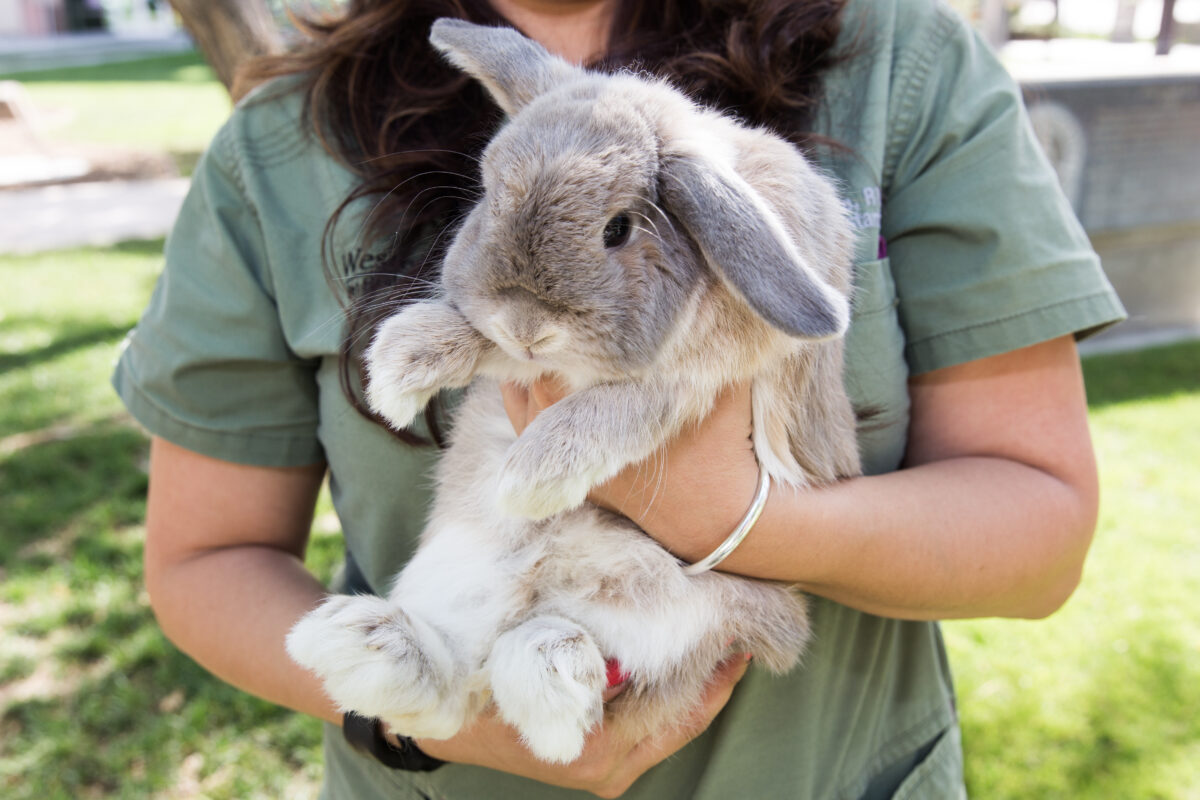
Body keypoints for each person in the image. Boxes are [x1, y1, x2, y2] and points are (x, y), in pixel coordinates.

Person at [112, 0, 1125, 797]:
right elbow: (205, 556)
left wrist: (738, 519)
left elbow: (1040, 529)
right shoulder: (277, 144)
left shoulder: (903, 62)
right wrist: (427, 715)